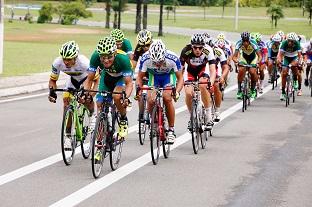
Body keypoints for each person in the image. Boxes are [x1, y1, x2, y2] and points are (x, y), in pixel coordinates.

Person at [136, 39, 184, 144]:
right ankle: (154, 123)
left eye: (160, 61)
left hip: (168, 76)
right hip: (154, 77)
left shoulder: (173, 58)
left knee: (167, 97)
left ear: (164, 56)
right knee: (150, 99)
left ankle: (171, 130)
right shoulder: (145, 58)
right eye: (155, 62)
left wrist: (177, 92)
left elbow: (180, 78)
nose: (157, 64)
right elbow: (140, 77)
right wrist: (139, 90)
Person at [84, 36, 133, 138]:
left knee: (116, 96)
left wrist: (126, 97)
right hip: (106, 77)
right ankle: (99, 145)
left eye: (109, 57)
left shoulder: (123, 59)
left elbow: (129, 83)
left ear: (115, 53)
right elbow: (89, 79)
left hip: (120, 78)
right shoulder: (95, 56)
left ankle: (123, 119)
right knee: (99, 103)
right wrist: (86, 94)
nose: (106, 61)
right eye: (103, 57)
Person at [180, 33, 216, 131]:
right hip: (190, 72)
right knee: (188, 92)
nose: (197, 50)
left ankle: (208, 117)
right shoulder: (185, 51)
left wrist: (211, 83)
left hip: (203, 70)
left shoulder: (208, 50)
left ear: (203, 47)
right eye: (195, 48)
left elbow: (213, 70)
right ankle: (192, 117)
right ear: (192, 46)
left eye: (200, 48)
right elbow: (180, 70)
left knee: (203, 85)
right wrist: (179, 84)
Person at [48, 41, 94, 115]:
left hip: (86, 80)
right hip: (73, 80)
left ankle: (92, 115)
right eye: (64, 59)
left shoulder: (84, 63)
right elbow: (53, 80)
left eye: (69, 59)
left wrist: (89, 94)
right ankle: (67, 126)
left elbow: (95, 79)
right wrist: (52, 92)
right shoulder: (57, 63)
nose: (66, 62)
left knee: (86, 100)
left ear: (75, 57)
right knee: (66, 102)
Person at [132, 29, 153, 133]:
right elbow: (134, 64)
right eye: (143, 45)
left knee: (152, 96)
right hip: (143, 71)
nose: (145, 48)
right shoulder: (138, 48)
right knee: (139, 94)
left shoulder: (156, 47)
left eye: (147, 45)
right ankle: (141, 119)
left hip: (154, 72)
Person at [232, 31, 262, 99]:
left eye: (247, 41)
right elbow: (234, 56)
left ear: (249, 40)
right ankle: (239, 91)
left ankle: (253, 90)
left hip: (253, 58)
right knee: (241, 70)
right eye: (244, 41)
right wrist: (237, 62)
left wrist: (257, 62)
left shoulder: (253, 43)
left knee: (252, 72)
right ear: (242, 40)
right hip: (244, 58)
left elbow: (259, 56)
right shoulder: (239, 43)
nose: (245, 43)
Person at [277, 32, 303, 100]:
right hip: (286, 57)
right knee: (284, 73)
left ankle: (295, 80)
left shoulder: (297, 43)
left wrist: (299, 63)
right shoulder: (284, 43)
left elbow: (300, 56)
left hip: (294, 57)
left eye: (291, 41)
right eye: (288, 40)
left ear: (294, 41)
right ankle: (283, 93)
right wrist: (279, 61)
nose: (289, 42)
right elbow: (280, 55)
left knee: (293, 67)